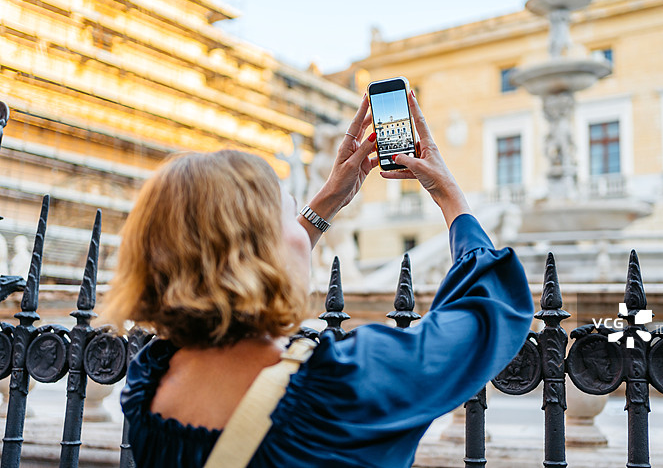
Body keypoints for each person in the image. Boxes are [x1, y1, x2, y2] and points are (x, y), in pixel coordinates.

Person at [105, 90, 534, 468]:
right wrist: (449, 196)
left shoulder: (149, 382)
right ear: (263, 250)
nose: (300, 225)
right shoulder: (341, 387)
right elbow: (488, 310)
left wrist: (325, 203)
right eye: (291, 213)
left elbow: (231, 259)